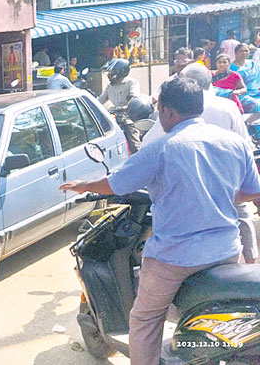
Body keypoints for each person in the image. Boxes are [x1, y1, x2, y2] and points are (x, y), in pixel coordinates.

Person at [61, 77, 260, 365]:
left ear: (167, 111)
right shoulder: (235, 143)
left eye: (160, 111)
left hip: (176, 258)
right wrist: (219, 194)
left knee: (144, 318)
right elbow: (252, 192)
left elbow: (116, 184)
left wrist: (83, 185)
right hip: (227, 252)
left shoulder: (161, 149)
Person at [145, 64, 257, 263]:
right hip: (229, 186)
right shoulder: (227, 106)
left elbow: (148, 144)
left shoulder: (175, 110)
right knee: (242, 216)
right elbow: (244, 146)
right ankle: (250, 264)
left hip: (188, 189)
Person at [98, 58, 142, 153]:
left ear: (119, 72)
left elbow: (134, 97)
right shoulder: (110, 86)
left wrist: (126, 107)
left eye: (111, 72)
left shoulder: (131, 82)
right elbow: (100, 100)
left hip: (128, 117)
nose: (108, 75)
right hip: (114, 116)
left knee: (134, 145)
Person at [230, 43, 260, 112]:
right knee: (256, 105)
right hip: (242, 95)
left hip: (257, 92)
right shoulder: (231, 68)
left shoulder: (253, 64)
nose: (244, 53)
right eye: (241, 51)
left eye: (246, 51)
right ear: (235, 53)